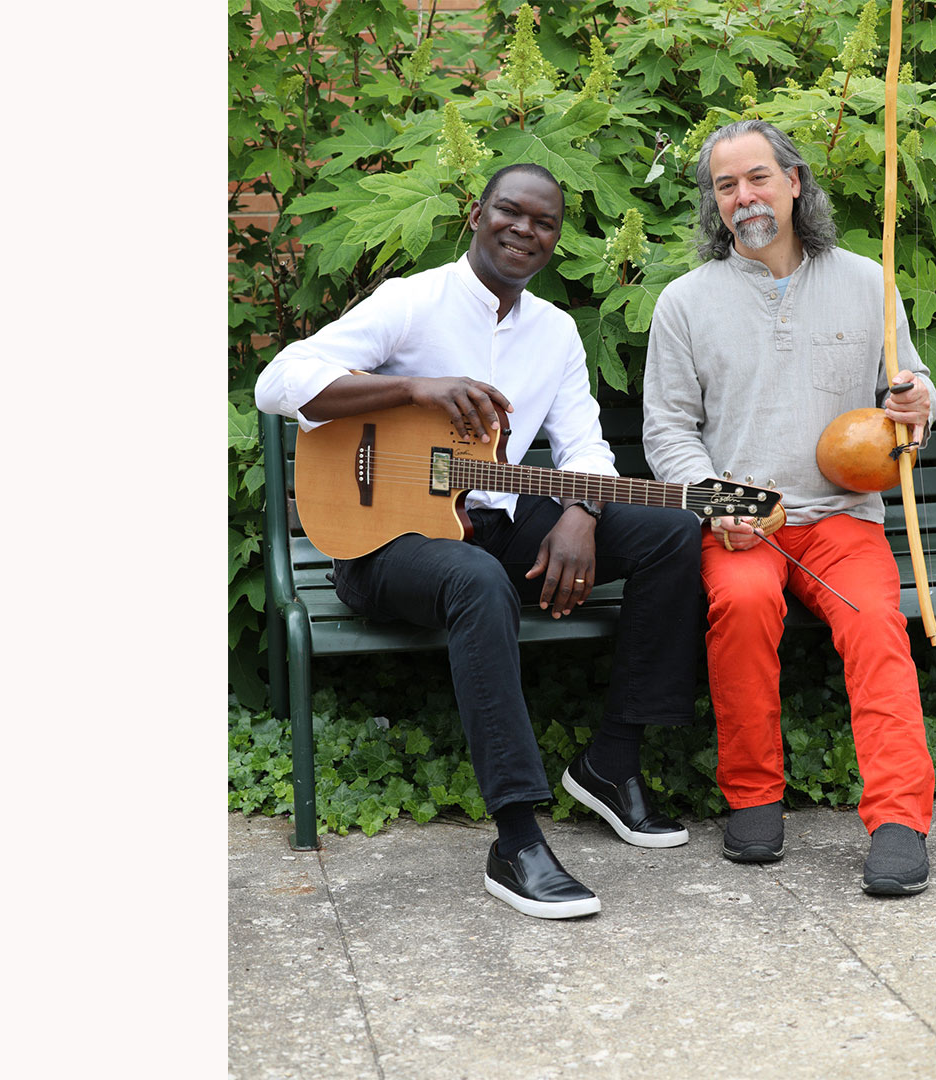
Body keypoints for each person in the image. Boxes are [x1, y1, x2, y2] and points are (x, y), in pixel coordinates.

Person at [256, 163, 705, 920]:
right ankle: (517, 836)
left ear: (556, 239)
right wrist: (411, 388)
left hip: (488, 520)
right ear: (476, 213)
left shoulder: (556, 332)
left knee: (670, 530)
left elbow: (586, 448)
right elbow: (280, 382)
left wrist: (581, 512)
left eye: (543, 222)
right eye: (510, 212)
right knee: (475, 579)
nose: (524, 230)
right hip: (383, 546)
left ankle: (610, 761)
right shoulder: (414, 303)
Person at [642, 119, 936, 896]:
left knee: (876, 627)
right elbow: (668, 428)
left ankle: (901, 822)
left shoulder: (866, 283)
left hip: (842, 519)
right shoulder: (684, 303)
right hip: (744, 524)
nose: (744, 197)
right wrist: (714, 505)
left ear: (795, 181)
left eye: (758, 178)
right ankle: (753, 799)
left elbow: (909, 394)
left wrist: (916, 400)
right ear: (714, 200)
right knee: (740, 610)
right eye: (726, 185)